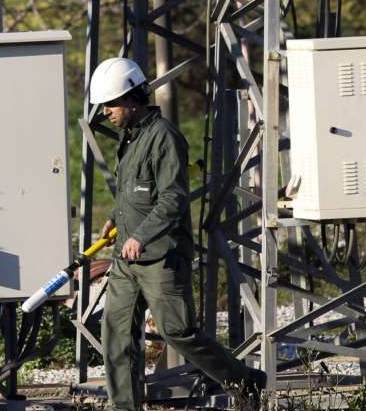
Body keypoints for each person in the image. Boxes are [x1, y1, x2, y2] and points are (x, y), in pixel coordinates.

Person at [90, 57, 264, 411]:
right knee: (116, 336)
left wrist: (142, 235)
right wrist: (115, 219)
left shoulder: (165, 138)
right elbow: (137, 191)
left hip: (161, 256)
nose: (106, 112)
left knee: (178, 332)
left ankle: (245, 381)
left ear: (132, 98)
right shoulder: (130, 139)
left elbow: (172, 197)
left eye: (111, 104)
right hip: (126, 256)